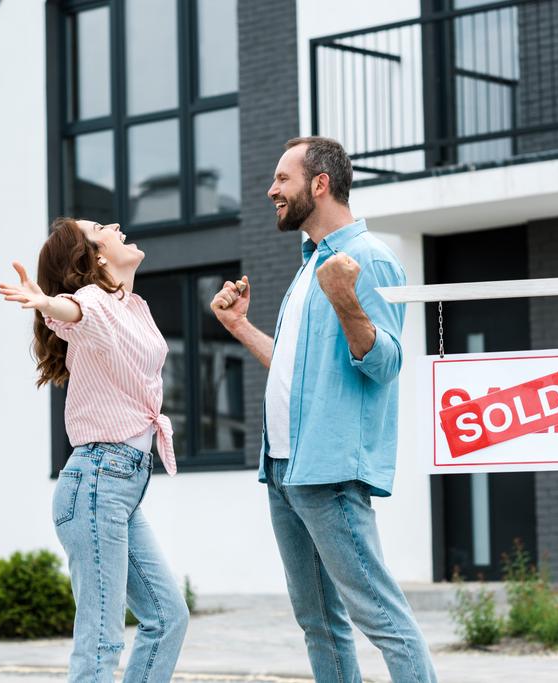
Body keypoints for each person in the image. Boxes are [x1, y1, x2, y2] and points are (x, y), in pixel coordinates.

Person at [210, 137, 438, 682]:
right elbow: (296, 371)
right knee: (317, 620)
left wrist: (346, 299)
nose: (271, 191)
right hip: (287, 470)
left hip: (330, 472)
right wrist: (240, 326)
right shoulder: (309, 267)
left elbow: (385, 362)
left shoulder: (369, 260)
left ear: (320, 184)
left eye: (282, 179)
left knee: (379, 617)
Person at [0, 217, 188, 683]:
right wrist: (45, 302)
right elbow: (72, 311)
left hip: (121, 484)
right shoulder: (92, 303)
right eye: (101, 226)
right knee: (101, 640)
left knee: (168, 619)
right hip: (99, 481)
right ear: (95, 257)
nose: (117, 224)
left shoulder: (132, 306)